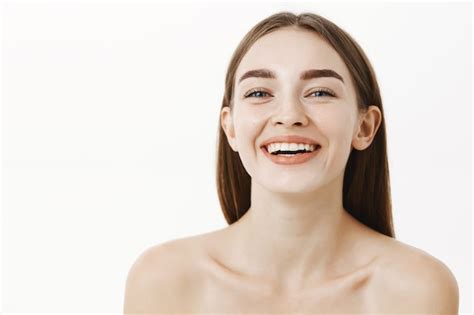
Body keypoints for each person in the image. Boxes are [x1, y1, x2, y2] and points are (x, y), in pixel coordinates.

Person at [124, 11, 459, 313]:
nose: (289, 116)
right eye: (259, 93)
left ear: (365, 126)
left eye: (319, 92)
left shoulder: (415, 290)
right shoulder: (163, 281)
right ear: (230, 128)